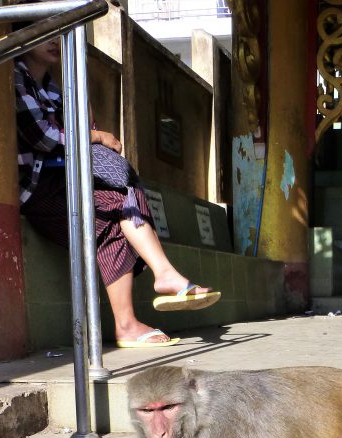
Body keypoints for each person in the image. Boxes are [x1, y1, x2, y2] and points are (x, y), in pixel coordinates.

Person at [14, 38, 220, 348]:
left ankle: (131, 321)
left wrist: (85, 114)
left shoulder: (54, 87)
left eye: (60, 32)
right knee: (123, 193)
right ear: (24, 32)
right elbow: (43, 138)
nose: (56, 40)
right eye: (46, 31)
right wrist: (96, 136)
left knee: (118, 211)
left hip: (62, 186)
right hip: (37, 190)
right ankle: (161, 277)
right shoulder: (14, 76)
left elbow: (78, 131)